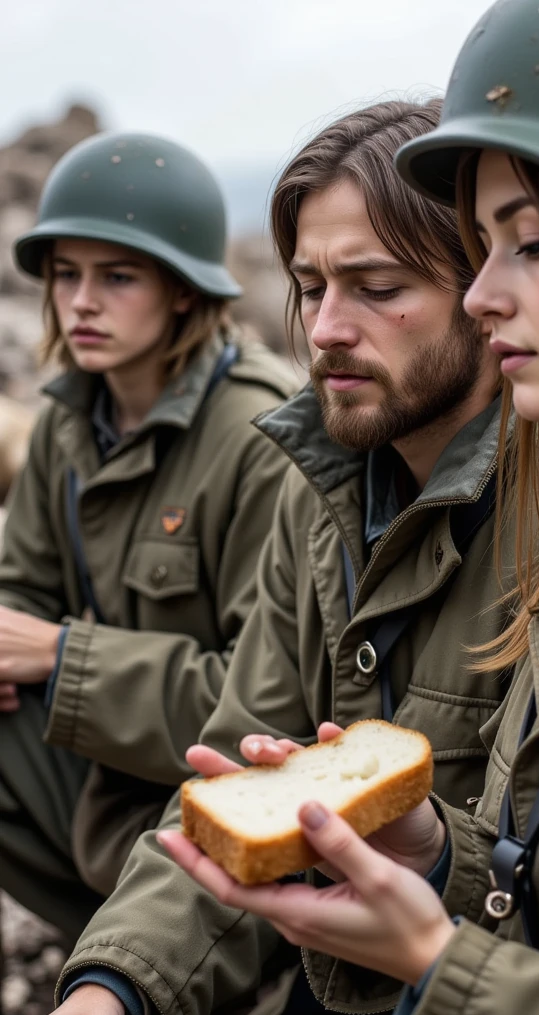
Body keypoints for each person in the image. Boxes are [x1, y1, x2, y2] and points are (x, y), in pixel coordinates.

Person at [158, 1, 539, 1015]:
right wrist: (436, 854)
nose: (486, 293)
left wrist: (439, 960)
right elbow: (535, 898)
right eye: (306, 289)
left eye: (529, 243)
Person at [45, 99, 510, 1015]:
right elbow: (239, 777)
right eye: (308, 288)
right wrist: (110, 989)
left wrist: (60, 661)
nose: (327, 328)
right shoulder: (323, 488)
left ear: (487, 290)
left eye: (377, 288)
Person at [0, 131, 296, 963]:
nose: (80, 303)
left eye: (117, 276)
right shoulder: (66, 419)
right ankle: (108, 958)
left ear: (181, 291)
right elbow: (22, 586)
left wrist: (59, 655)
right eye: (65, 274)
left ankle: (198, 976)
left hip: (234, 798)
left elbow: (268, 710)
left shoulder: (259, 432)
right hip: (113, 774)